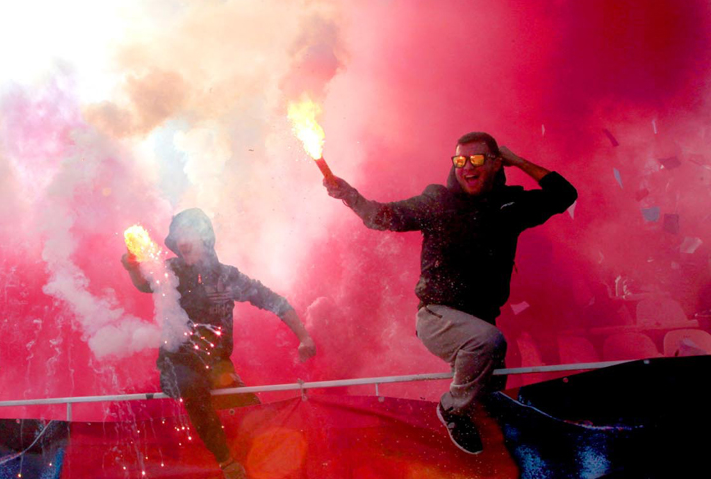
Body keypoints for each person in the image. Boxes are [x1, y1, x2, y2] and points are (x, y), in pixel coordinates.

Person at [324, 132, 577, 454]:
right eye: (460, 160)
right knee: (487, 341)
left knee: (490, 403)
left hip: (483, 321)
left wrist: (517, 160)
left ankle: (474, 451)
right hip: (438, 316)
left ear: (497, 163)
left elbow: (564, 193)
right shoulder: (437, 202)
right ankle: (451, 408)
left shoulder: (510, 205)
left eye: (477, 159)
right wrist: (348, 193)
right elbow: (380, 216)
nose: (467, 167)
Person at [122, 209, 316, 479]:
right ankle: (226, 464)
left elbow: (275, 302)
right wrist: (133, 265)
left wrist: (304, 337)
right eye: (178, 236)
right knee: (192, 385)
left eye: (188, 233)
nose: (182, 242)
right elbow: (144, 283)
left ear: (206, 238)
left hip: (217, 364)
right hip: (177, 363)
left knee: (251, 411)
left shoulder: (228, 276)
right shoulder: (170, 270)